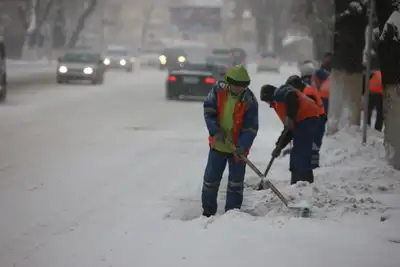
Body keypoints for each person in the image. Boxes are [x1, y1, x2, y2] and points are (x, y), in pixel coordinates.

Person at [202, 65, 259, 217]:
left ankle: (232, 214)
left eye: (242, 86)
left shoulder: (250, 100)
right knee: (210, 181)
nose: (238, 88)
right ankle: (208, 212)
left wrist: (243, 145)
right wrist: (214, 130)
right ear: (228, 82)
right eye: (235, 85)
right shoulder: (218, 91)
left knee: (236, 183)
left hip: (238, 150)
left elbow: (251, 127)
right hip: (219, 145)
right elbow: (209, 111)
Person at [260, 84, 320, 185]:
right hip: (307, 119)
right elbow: (288, 130)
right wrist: (279, 146)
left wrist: (290, 116)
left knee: (300, 152)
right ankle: (300, 182)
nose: (269, 105)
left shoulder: (279, 93)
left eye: (267, 101)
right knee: (299, 152)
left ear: (269, 96)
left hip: (307, 119)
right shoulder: (280, 100)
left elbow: (291, 94)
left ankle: (301, 182)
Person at [285, 75, 327, 164]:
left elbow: (307, 112)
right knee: (309, 149)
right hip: (316, 121)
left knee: (310, 150)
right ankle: (307, 170)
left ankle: (307, 173)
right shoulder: (305, 91)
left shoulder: (307, 93)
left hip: (316, 123)